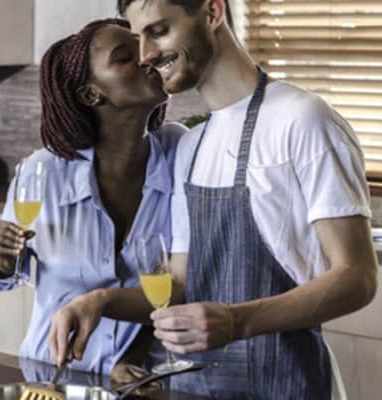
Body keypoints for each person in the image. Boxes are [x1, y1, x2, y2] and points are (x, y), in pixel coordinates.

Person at [48, 0, 378, 398]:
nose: (146, 55)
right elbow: (185, 284)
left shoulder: (303, 119)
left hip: (286, 383)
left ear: (212, 13)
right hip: (198, 389)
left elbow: (357, 277)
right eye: (137, 39)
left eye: (158, 31)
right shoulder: (193, 145)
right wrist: (100, 301)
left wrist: (236, 322)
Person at [0, 18, 185, 378]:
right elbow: (10, 273)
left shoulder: (180, 155)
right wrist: (1, 256)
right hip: (55, 373)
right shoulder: (42, 173)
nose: (147, 56)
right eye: (125, 57)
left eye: (143, 45)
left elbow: (185, 287)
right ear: (91, 95)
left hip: (139, 379)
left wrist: (133, 359)